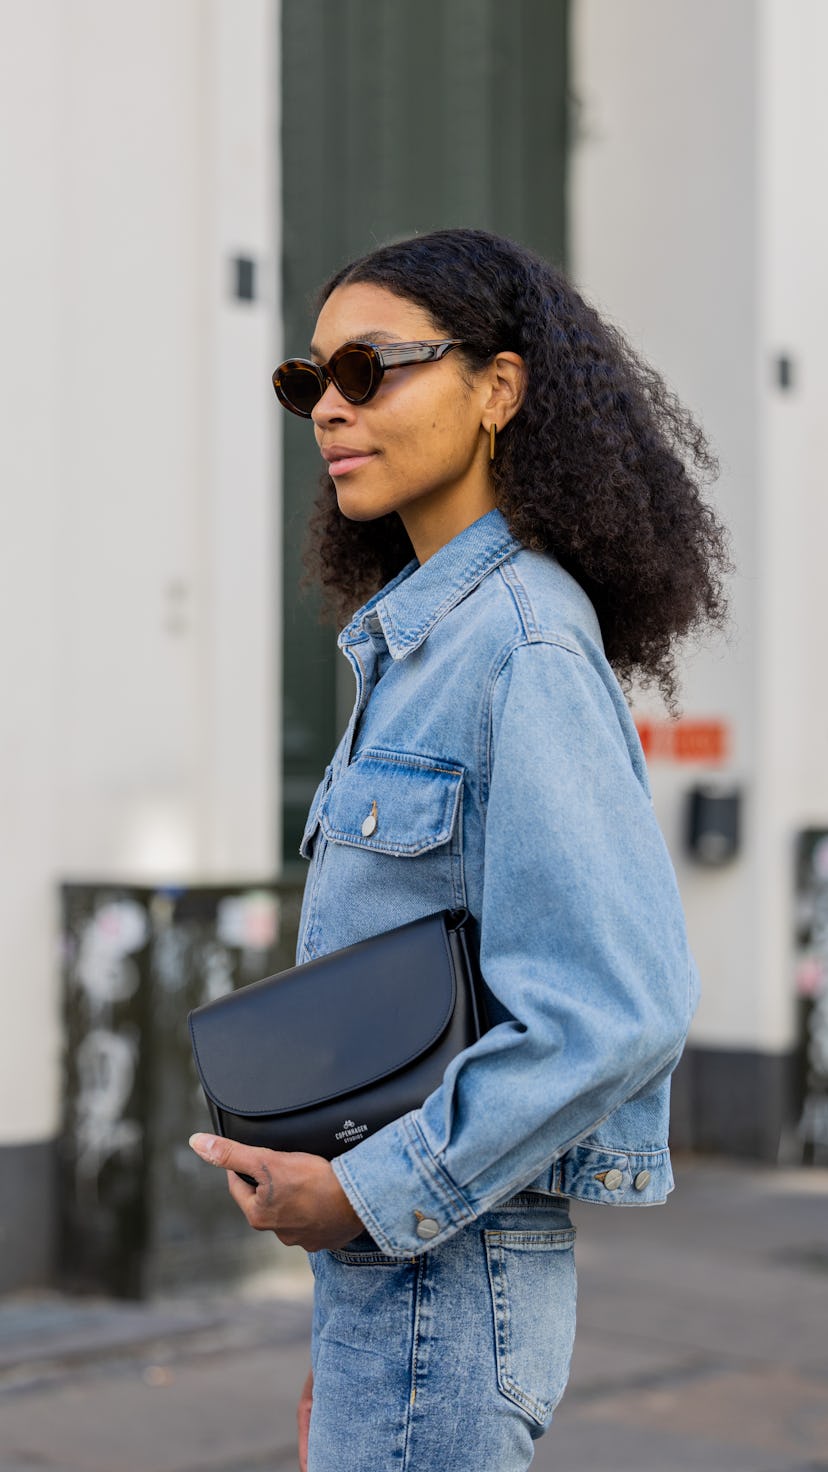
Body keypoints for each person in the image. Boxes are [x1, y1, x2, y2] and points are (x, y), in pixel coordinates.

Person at [189, 227, 729, 1471]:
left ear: (498, 388)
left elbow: (619, 1004)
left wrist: (364, 1195)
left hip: (445, 1274)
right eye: (308, 382)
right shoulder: (425, 648)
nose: (330, 408)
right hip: (394, 1293)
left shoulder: (523, 648)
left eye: (369, 371)